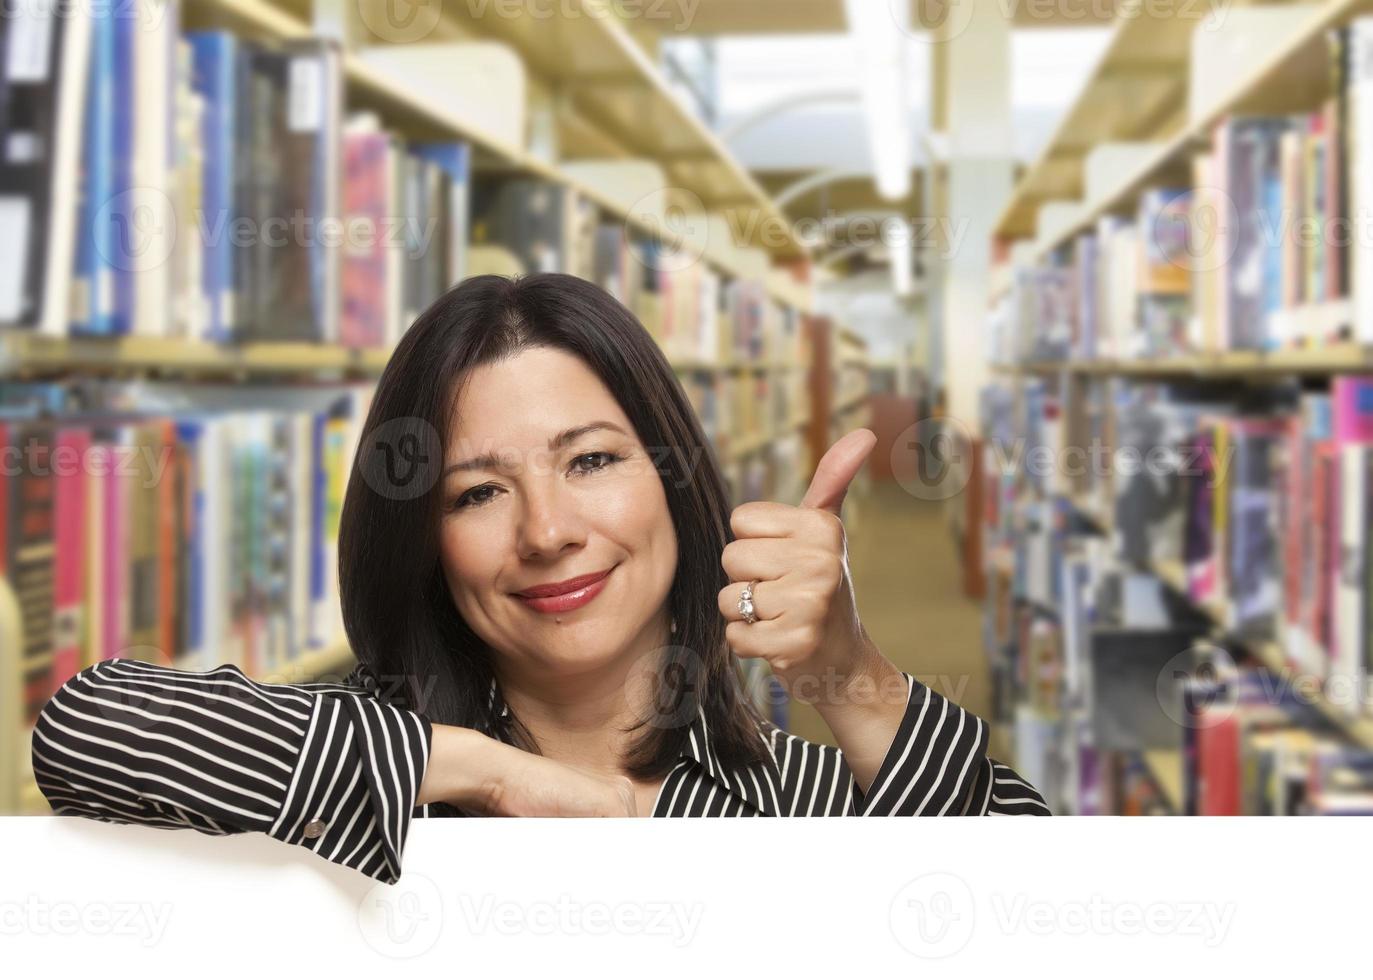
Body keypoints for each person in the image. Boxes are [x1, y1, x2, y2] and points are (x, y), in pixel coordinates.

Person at [31, 273, 1049, 887]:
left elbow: (1040, 908)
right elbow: (88, 729)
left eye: (593, 460)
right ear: (423, 537)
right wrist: (502, 775)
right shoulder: (360, 781)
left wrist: (846, 669)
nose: (548, 531)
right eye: (477, 493)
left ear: (673, 480)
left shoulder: (802, 802)